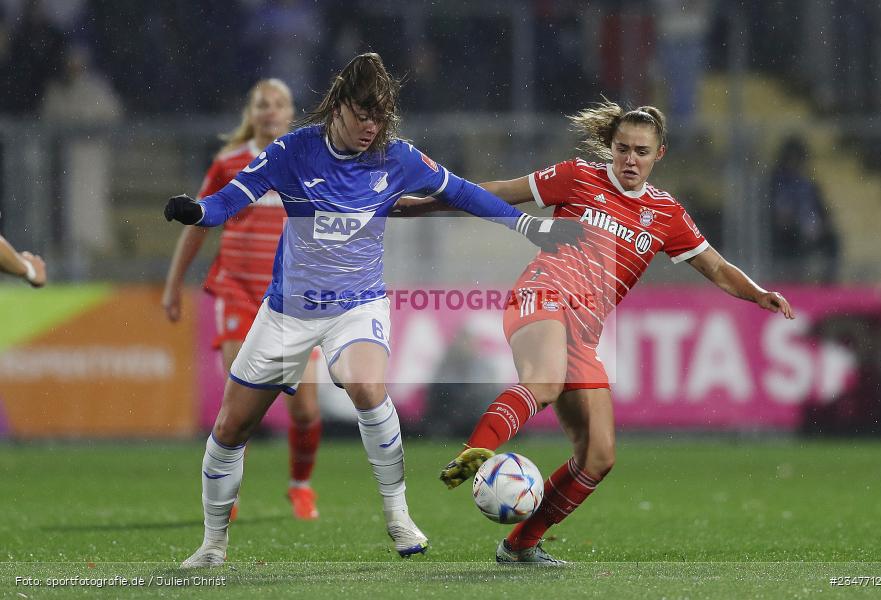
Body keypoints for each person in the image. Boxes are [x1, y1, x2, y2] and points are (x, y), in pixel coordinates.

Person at [163, 52, 582, 568]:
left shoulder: (396, 156)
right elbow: (232, 198)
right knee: (230, 428)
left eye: (379, 117)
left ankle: (398, 515)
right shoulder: (293, 151)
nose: (371, 128)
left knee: (366, 387)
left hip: (357, 305)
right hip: (288, 311)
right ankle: (211, 545)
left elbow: (466, 193)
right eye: (362, 115)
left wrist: (530, 228)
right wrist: (197, 211)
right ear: (337, 107)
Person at [403, 100, 795, 565]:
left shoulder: (666, 213)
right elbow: (499, 192)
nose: (631, 159)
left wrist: (757, 292)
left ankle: (520, 546)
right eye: (623, 149)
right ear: (610, 147)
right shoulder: (577, 176)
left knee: (598, 456)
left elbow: (716, 267)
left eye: (641, 152)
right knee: (544, 382)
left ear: (659, 154)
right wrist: (425, 205)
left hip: (583, 333)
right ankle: (477, 449)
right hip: (543, 294)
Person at [163, 79, 322, 523]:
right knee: (240, 407)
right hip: (237, 292)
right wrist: (174, 284)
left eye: (278, 105)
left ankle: (300, 486)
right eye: (261, 105)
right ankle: (227, 495)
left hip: (293, 301)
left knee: (306, 410)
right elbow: (199, 223)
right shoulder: (229, 163)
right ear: (251, 114)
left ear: (291, 114)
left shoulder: (308, 162)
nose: (270, 111)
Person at [769, 136, 840, 283]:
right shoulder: (777, 182)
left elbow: (822, 209)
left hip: (811, 227)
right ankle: (794, 280)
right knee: (792, 236)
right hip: (790, 229)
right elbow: (779, 211)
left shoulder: (808, 184)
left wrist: (821, 224)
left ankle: (827, 282)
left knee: (833, 239)